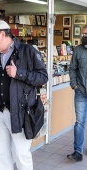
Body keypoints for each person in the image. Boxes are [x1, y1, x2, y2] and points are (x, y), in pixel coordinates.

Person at [0, 20, 48, 170]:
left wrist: (19, 73)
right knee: (0, 154)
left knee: (20, 154)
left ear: (2, 34)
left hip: (20, 112)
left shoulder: (27, 51)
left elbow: (43, 77)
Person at [68, 25, 87, 162]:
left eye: (86, 34)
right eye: (83, 34)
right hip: (81, 92)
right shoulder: (78, 50)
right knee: (79, 122)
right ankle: (78, 152)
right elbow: (72, 68)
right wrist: (74, 84)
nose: (84, 36)